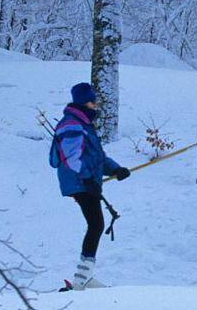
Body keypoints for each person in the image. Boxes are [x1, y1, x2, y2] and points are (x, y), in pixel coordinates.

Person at [49, 82, 131, 290]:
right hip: (80, 183)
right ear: (85, 102)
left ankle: (83, 277)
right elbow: (71, 158)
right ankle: (82, 279)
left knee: (96, 224)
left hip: (86, 183)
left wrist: (116, 169)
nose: (96, 105)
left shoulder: (84, 124)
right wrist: (86, 180)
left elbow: (97, 157)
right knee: (96, 224)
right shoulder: (72, 124)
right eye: (94, 102)